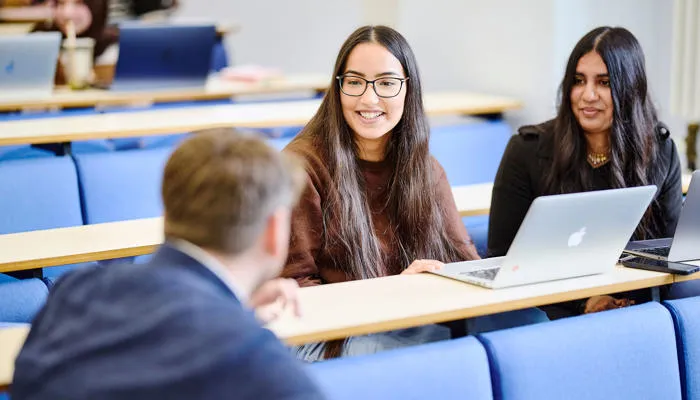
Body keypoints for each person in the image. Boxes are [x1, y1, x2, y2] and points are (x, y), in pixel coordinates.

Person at [283, 25, 548, 361]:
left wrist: (442, 279)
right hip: (329, 334)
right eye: (354, 82)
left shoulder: (424, 168)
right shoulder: (301, 167)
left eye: (386, 83)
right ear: (337, 89)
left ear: (409, 89)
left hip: (407, 321)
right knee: (434, 352)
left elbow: (465, 263)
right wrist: (394, 292)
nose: (368, 98)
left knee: (531, 322)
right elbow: (297, 292)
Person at [12, 128, 326, 400]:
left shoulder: (74, 291)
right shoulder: (257, 363)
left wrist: (233, 311)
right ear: (274, 230)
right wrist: (233, 322)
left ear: (169, 208)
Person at [487, 26, 685, 319]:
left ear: (629, 89)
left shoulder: (660, 151)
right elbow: (500, 259)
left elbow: (670, 253)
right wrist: (583, 304)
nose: (587, 95)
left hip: (638, 310)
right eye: (579, 81)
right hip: (551, 313)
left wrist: (622, 300)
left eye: (604, 82)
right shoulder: (526, 150)